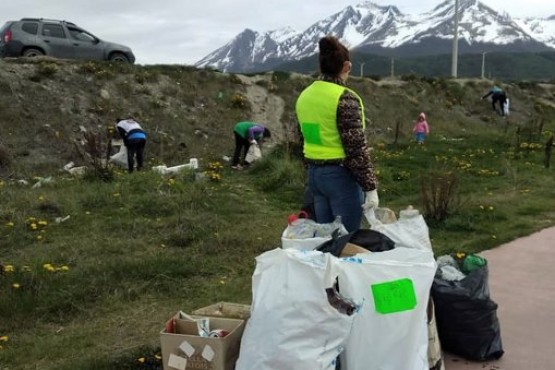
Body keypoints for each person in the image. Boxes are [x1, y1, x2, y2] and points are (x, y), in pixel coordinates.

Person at [295, 35, 378, 233]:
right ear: (346, 66)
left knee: (326, 236)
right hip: (340, 177)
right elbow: (355, 149)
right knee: (347, 238)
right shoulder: (345, 97)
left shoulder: (305, 96)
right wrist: (370, 188)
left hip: (315, 176)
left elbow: (304, 136)